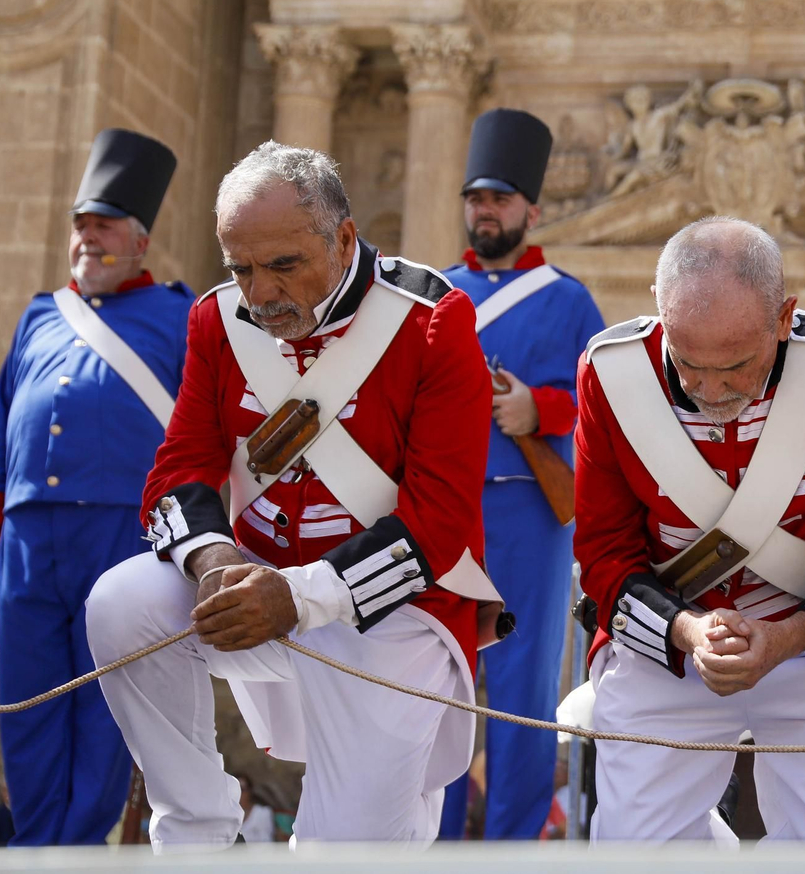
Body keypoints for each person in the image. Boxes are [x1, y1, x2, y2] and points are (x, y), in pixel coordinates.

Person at [84, 141, 501, 850]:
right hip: (257, 587)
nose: (261, 294)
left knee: (346, 851)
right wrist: (213, 562)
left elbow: (440, 522)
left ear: (343, 239)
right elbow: (179, 467)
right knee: (121, 607)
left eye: (283, 265)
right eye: (241, 269)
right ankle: (196, 834)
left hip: (394, 612)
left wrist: (297, 597)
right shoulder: (217, 322)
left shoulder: (432, 321)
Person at [573, 217, 805, 842]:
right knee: (632, 844)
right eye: (686, 365)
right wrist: (686, 631)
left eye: (734, 367)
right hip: (671, 645)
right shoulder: (612, 372)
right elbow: (603, 553)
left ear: (784, 317)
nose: (708, 389)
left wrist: (787, 638)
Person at [0, 130, 191, 845]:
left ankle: (74, 852)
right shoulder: (40, 316)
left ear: (140, 241)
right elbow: (4, 428)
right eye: (81, 226)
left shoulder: (179, 317)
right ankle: (37, 845)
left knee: (105, 708)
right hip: (28, 537)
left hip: (121, 534)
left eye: (104, 228)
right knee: (28, 705)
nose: (87, 240)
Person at [438, 109, 605, 840]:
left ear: (529, 210)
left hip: (530, 516)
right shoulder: (434, 296)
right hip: (443, 511)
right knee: (438, 686)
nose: (486, 211)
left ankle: (511, 850)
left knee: (522, 696)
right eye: (477, 198)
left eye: (500, 199)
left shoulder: (569, 299)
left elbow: (601, 401)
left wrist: (538, 410)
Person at [235, 775, 273, 845]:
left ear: (250, 791)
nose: (239, 793)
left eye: (242, 789)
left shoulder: (262, 813)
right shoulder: (226, 815)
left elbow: (266, 844)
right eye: (236, 789)